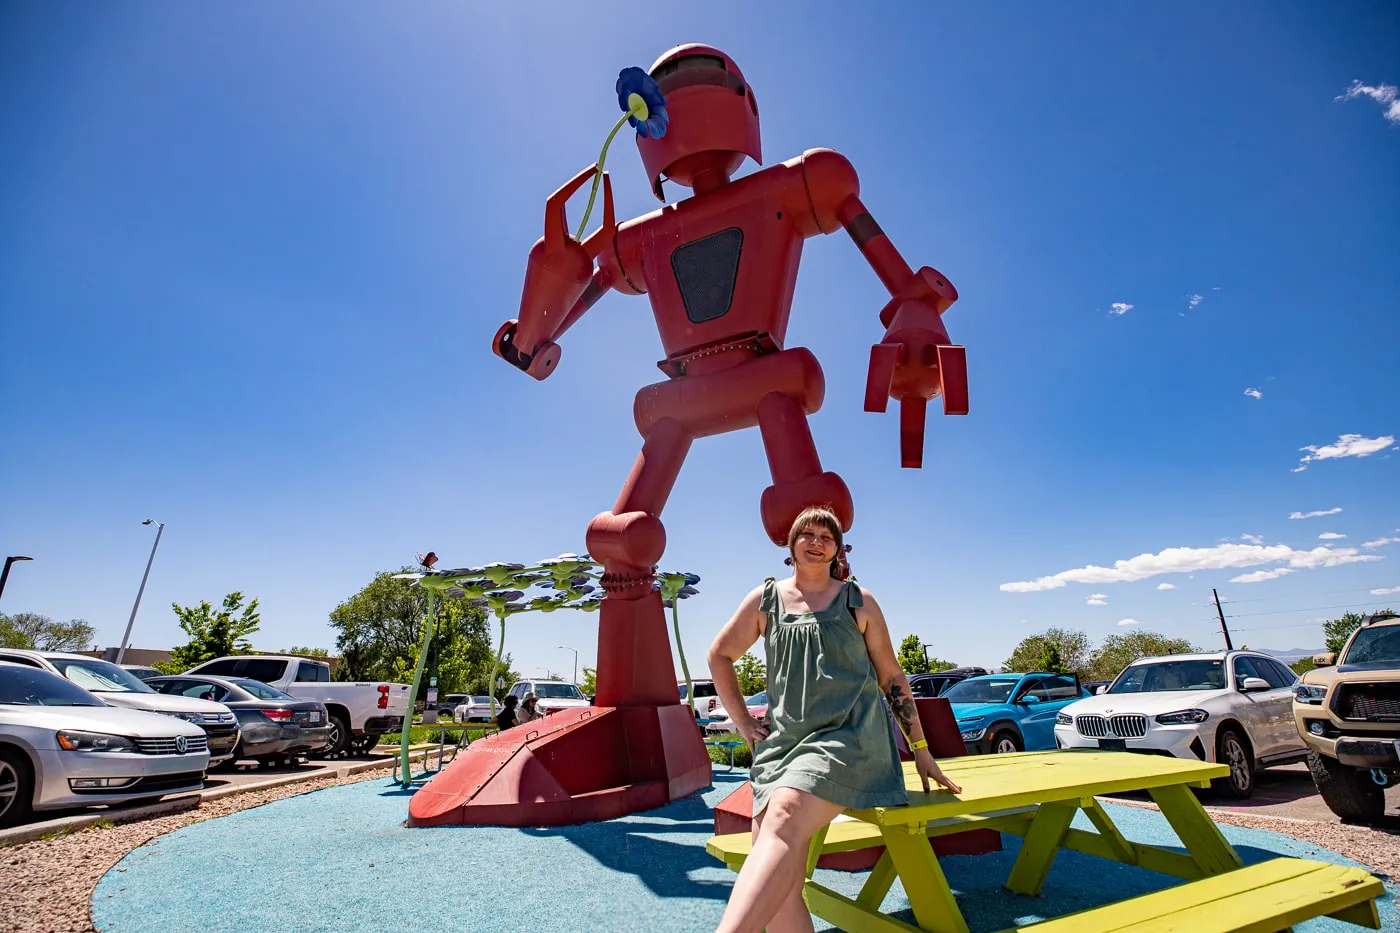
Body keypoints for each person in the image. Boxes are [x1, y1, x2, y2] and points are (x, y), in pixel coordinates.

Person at [707, 506, 962, 933]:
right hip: (784, 748)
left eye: (827, 536)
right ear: (791, 546)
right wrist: (746, 725)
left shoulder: (857, 600)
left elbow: (892, 676)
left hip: (851, 740)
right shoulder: (765, 600)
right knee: (780, 887)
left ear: (837, 549)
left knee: (784, 815)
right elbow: (719, 656)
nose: (816, 541)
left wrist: (921, 749)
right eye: (806, 534)